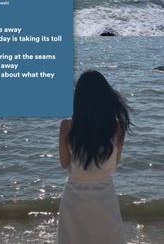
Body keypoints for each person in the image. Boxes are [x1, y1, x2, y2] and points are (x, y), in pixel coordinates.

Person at [56, 70, 131, 244]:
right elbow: (115, 163)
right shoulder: (118, 128)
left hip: (74, 197)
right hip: (105, 197)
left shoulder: (67, 126)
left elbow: (64, 163)